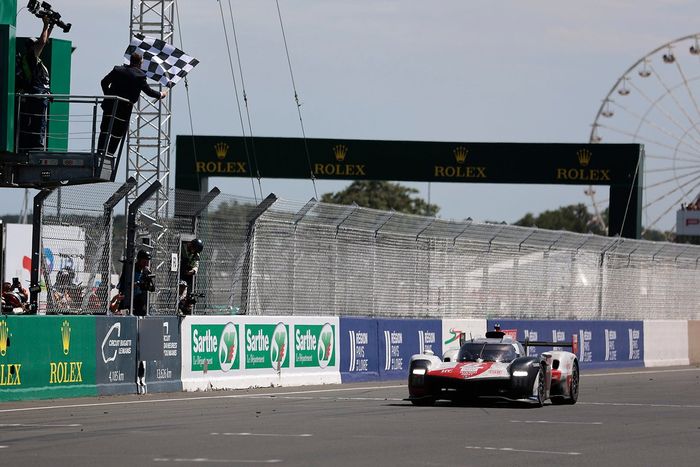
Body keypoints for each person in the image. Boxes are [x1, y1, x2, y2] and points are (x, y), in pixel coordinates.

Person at [98, 52, 168, 155]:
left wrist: (109, 97)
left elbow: (103, 82)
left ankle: (100, 152)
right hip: (124, 109)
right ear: (140, 63)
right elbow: (148, 92)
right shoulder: (140, 76)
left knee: (105, 130)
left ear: (130, 60)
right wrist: (161, 94)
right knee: (117, 133)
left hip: (110, 105)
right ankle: (109, 154)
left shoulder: (118, 70)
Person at [15, 16, 53, 150]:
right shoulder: (32, 56)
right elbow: (42, 42)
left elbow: (44, 41)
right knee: (38, 122)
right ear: (32, 47)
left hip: (36, 94)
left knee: (33, 121)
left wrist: (50, 27)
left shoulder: (29, 58)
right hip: (38, 95)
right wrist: (45, 25)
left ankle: (31, 143)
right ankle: (37, 145)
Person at [118, 249, 155, 316]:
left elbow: (152, 288)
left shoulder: (146, 271)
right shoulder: (130, 269)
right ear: (139, 259)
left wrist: (146, 282)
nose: (146, 264)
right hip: (127, 298)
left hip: (139, 301)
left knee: (142, 310)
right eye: (144, 261)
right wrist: (134, 284)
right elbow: (123, 283)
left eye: (147, 261)